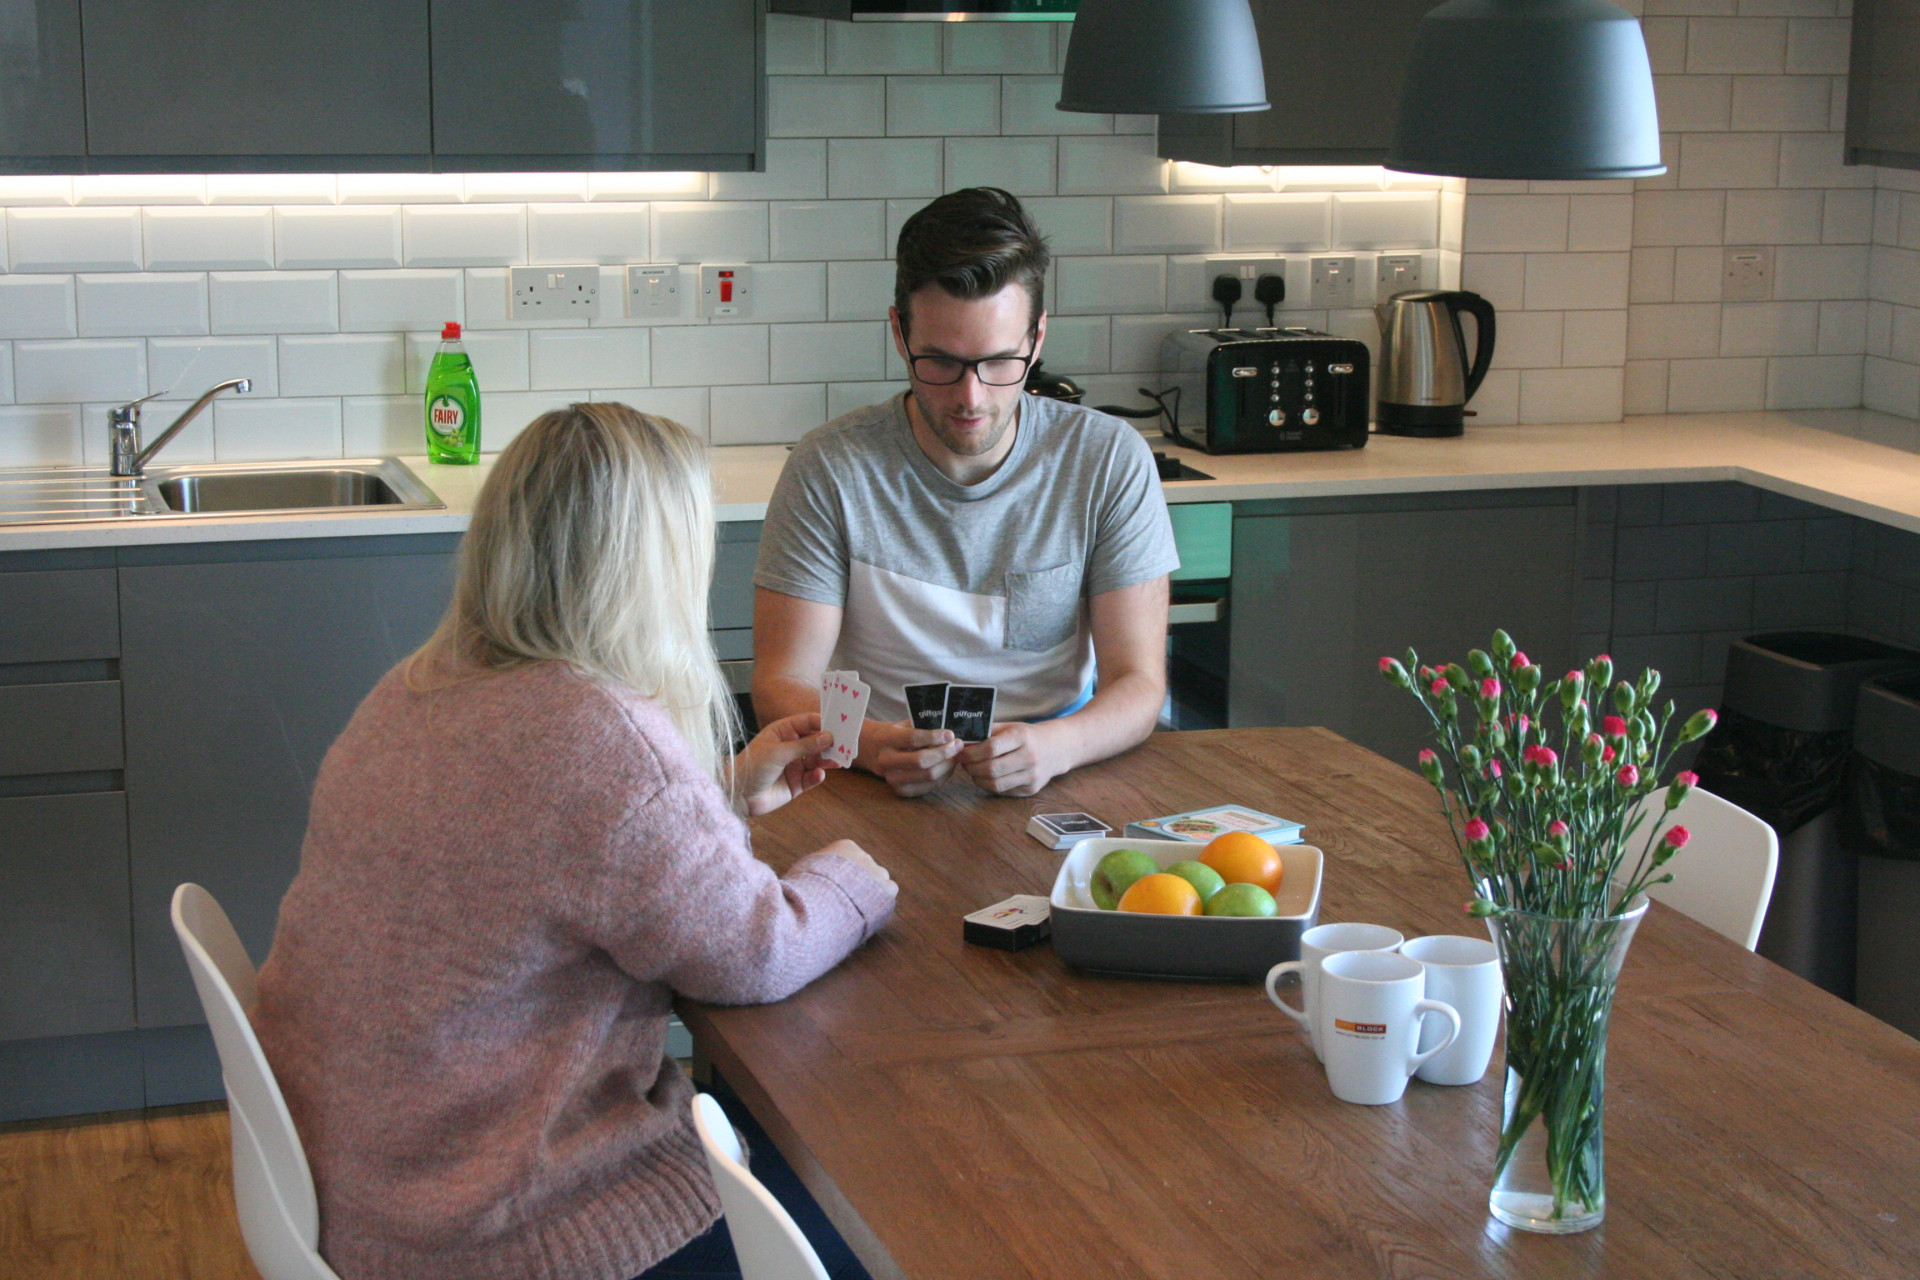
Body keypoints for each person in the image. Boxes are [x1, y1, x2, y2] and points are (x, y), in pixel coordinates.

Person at [251, 403, 897, 1280]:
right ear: (651, 567)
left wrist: (721, 794)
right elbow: (757, 950)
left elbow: (549, 854)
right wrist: (860, 880)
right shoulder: (598, 734)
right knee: (880, 1220)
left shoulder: (419, 685)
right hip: (500, 1228)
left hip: (368, 1187)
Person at [752, 187, 1179, 799]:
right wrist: (870, 744)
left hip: (1061, 773)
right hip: (870, 780)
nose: (971, 397)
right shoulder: (829, 467)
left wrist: (1056, 747)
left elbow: (1138, 685)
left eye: (999, 362)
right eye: (942, 363)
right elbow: (781, 685)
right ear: (899, 333)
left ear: (1037, 338)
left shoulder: (1108, 460)